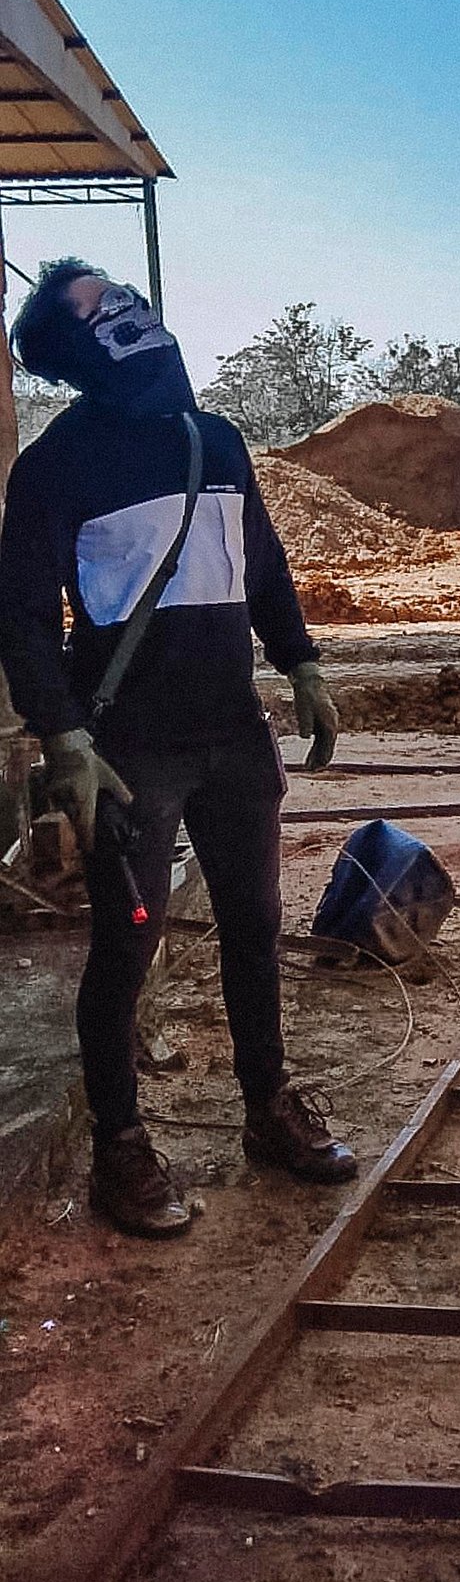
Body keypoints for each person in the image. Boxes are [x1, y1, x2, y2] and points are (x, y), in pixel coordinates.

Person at [0, 261, 357, 1239]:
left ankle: (268, 1107)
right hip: (128, 753)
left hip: (233, 733)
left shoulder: (217, 440)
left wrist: (301, 662)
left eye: (125, 295)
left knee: (254, 925)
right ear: (70, 350)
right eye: (100, 307)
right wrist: (64, 737)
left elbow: (262, 563)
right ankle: (119, 1147)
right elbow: (22, 617)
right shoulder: (56, 466)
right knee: (128, 945)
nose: (129, 311)